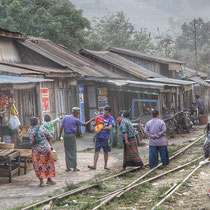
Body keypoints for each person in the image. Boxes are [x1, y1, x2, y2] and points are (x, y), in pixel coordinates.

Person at [59, 107, 94, 172]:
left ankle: (68, 167)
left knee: (67, 151)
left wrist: (60, 135)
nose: (78, 115)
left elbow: (61, 127)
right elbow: (84, 124)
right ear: (76, 113)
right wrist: (91, 120)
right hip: (72, 135)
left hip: (66, 135)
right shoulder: (76, 119)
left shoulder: (66, 117)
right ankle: (74, 167)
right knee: (73, 151)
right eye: (78, 114)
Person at [28, 117, 56, 187]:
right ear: (37, 122)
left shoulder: (29, 129)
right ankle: (49, 180)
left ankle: (41, 182)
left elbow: (31, 139)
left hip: (36, 150)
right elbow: (50, 137)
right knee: (48, 164)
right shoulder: (42, 128)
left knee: (38, 166)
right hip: (45, 149)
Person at [88, 106, 114, 170]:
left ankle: (105, 165)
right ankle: (94, 165)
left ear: (109, 112)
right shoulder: (100, 116)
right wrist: (98, 122)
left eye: (106, 112)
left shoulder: (111, 118)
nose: (104, 112)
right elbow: (93, 124)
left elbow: (110, 127)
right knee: (96, 151)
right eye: (104, 111)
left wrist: (102, 128)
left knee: (106, 152)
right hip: (98, 136)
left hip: (106, 137)